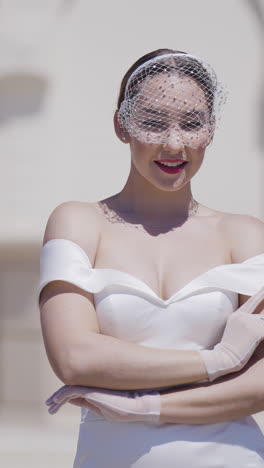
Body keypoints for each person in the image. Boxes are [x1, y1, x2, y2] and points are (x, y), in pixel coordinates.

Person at [37, 49, 264, 467]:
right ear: (121, 126)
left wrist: (144, 408)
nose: (174, 143)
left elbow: (260, 386)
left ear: (211, 130)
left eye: (192, 123)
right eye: (154, 123)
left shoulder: (246, 234)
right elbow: (74, 357)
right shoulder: (78, 222)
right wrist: (220, 360)